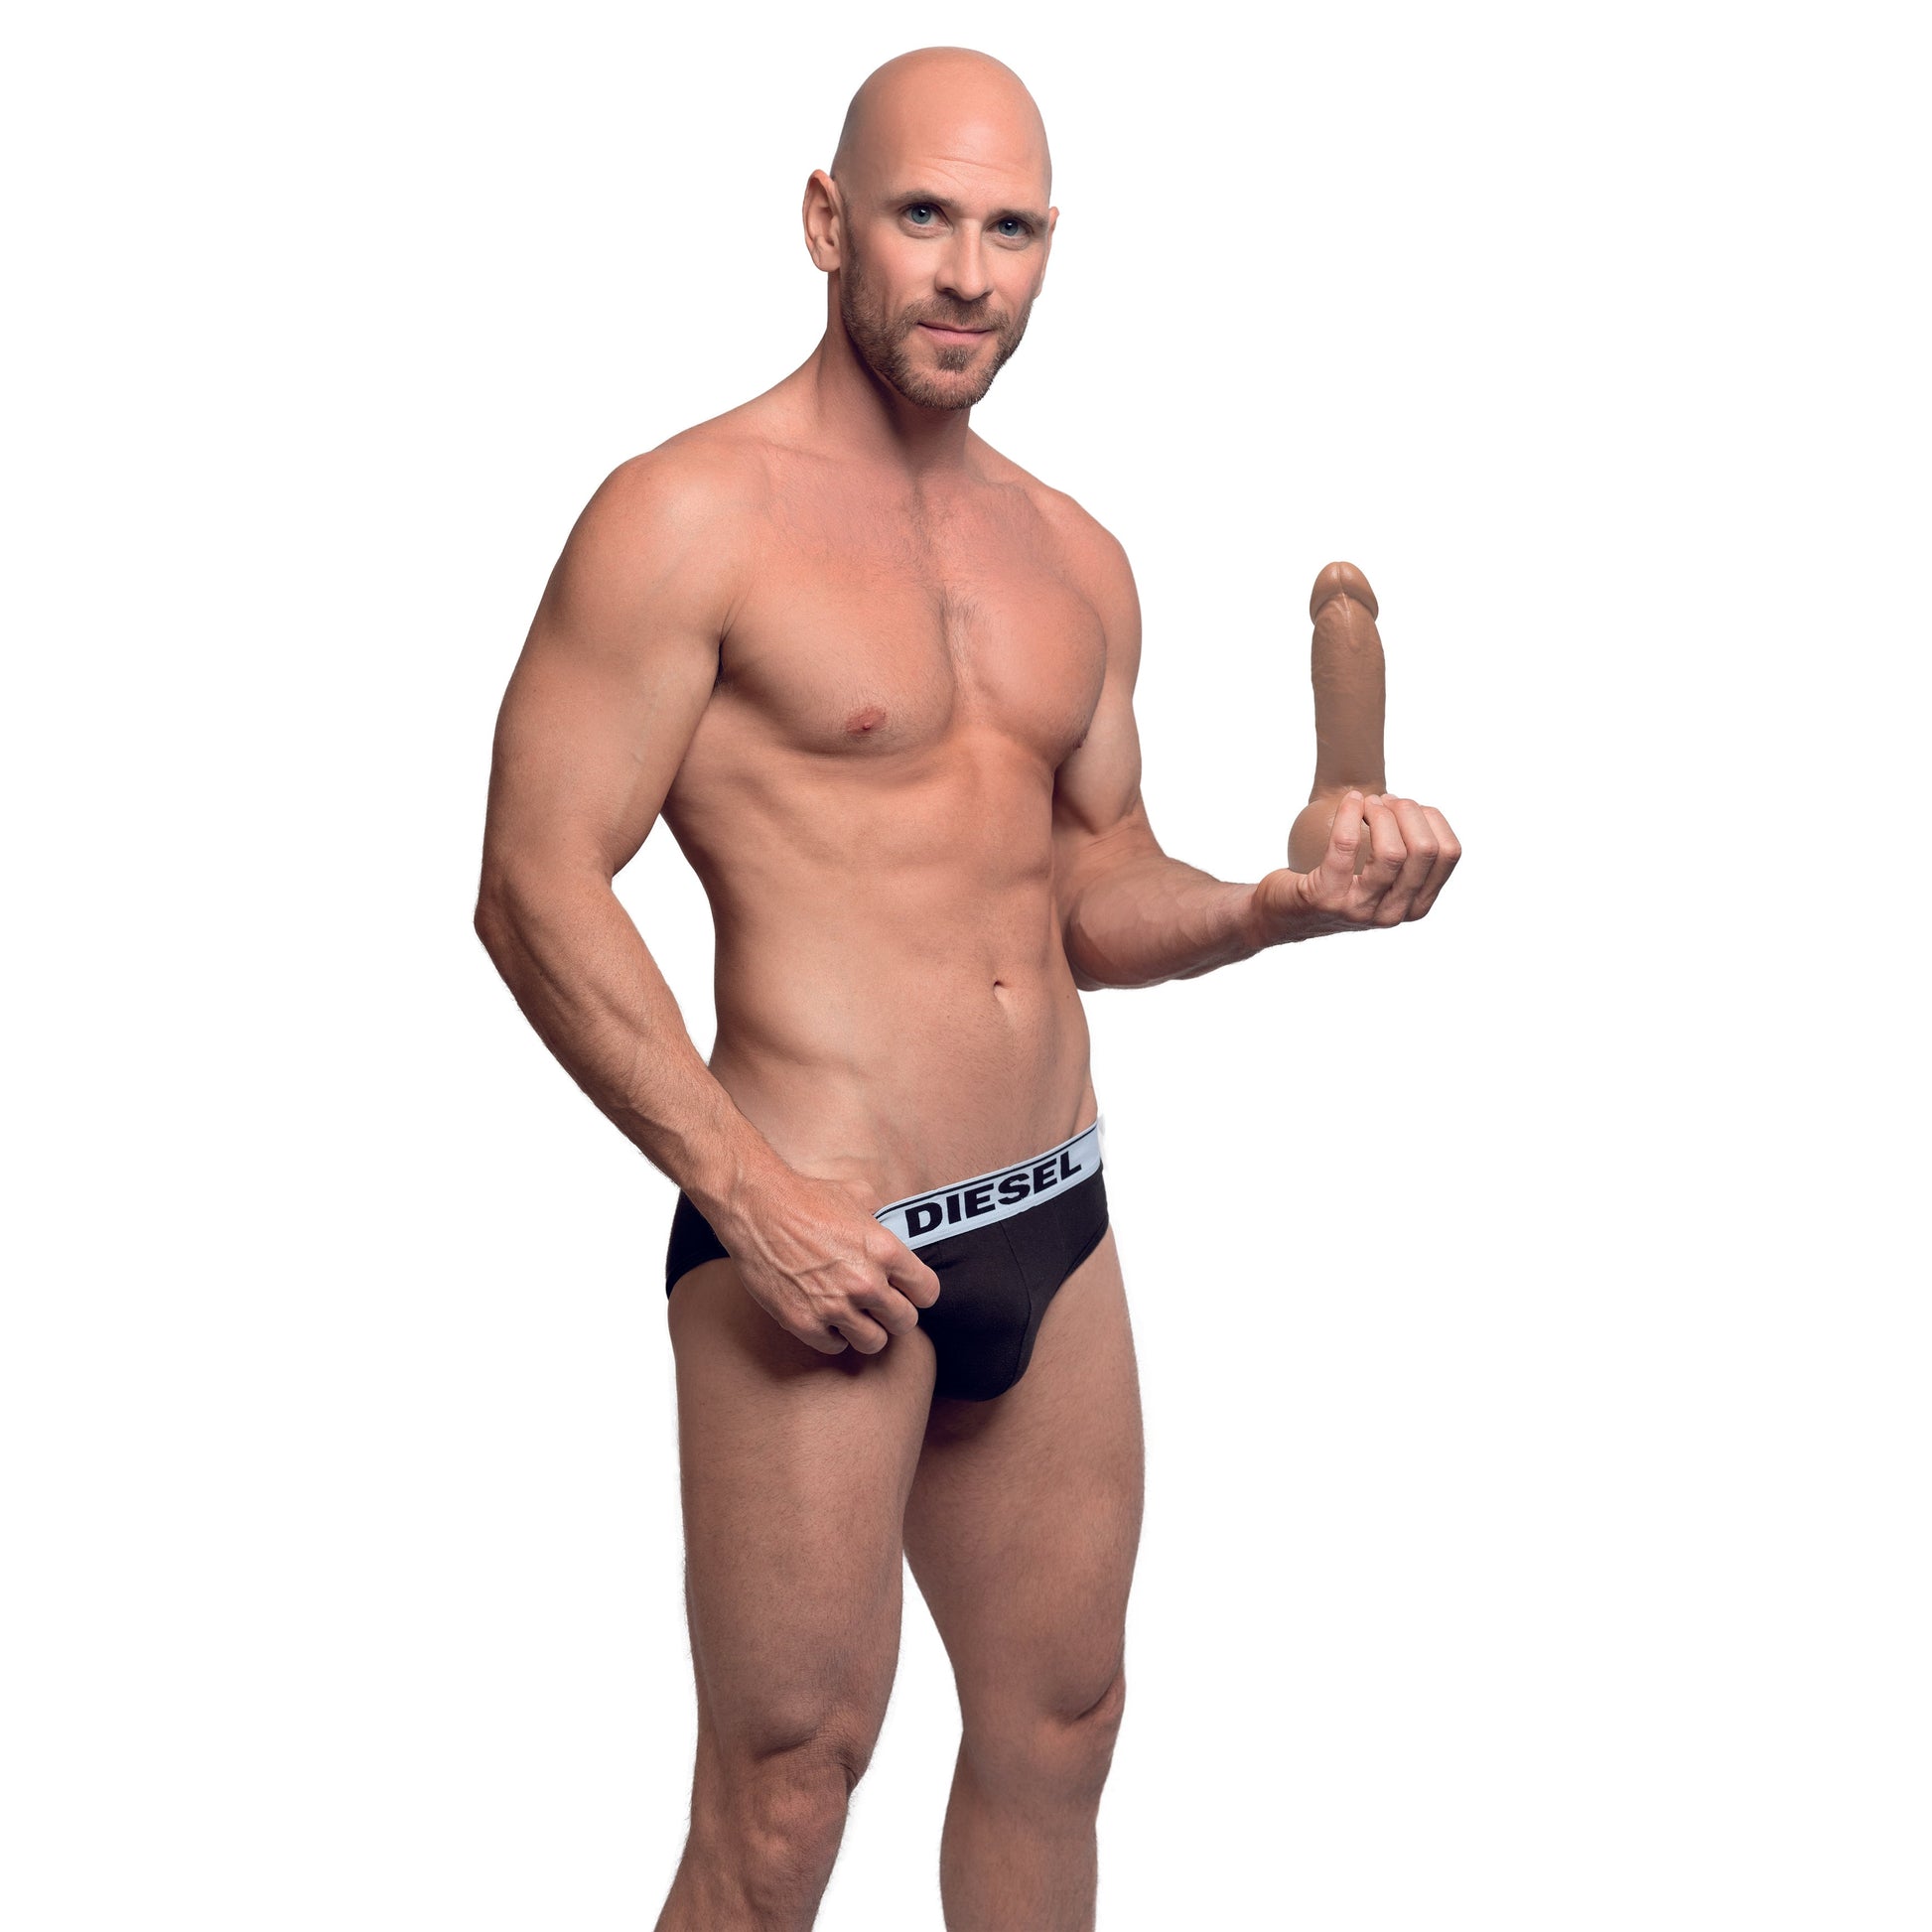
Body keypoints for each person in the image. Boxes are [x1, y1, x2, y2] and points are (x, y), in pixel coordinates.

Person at [473, 44, 1458, 1932]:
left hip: (1051, 1218)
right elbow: (531, 884)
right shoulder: (684, 515)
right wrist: (746, 1195)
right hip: (820, 1231)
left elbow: (1093, 887)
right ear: (827, 221)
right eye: (923, 215)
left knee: (1059, 1727)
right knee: (782, 1796)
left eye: (1010, 230)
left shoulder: (1070, 553)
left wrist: (1275, 905)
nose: (965, 273)